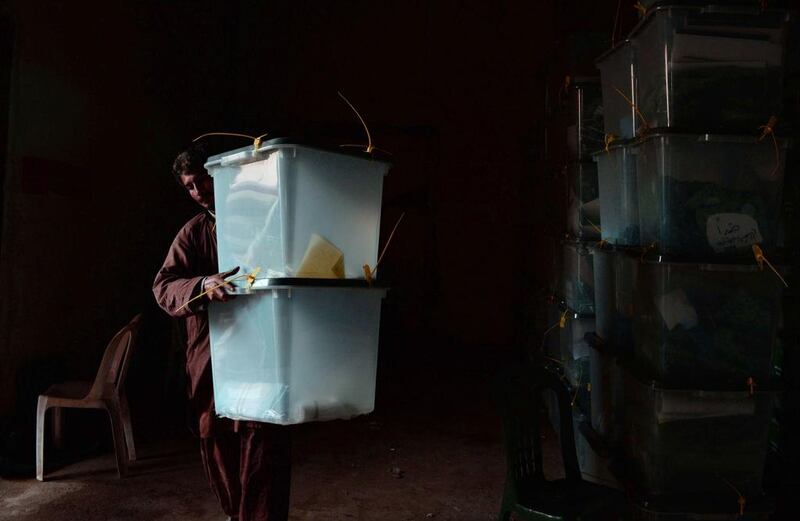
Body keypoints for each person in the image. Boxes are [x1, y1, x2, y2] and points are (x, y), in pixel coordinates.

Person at [153, 144, 291, 521]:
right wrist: (201, 285)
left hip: (262, 348)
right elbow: (163, 287)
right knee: (214, 433)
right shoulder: (194, 233)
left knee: (262, 434)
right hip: (211, 353)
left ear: (220, 177)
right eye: (190, 187)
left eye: (203, 182)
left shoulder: (263, 222)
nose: (199, 192)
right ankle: (235, 514)